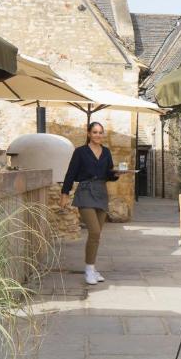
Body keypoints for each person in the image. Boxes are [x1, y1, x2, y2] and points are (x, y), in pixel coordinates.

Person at [61, 122, 119, 286]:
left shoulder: (106, 152)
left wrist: (116, 174)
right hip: (85, 192)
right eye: (95, 132)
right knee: (94, 231)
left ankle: (92, 268)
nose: (98, 135)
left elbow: (108, 174)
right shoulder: (80, 152)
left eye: (100, 132)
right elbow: (71, 173)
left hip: (101, 192)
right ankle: (88, 270)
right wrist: (64, 194)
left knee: (97, 235)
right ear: (88, 133)